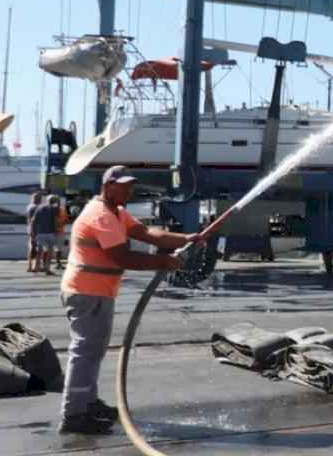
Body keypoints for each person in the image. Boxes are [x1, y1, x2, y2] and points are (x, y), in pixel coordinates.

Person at [58, 166, 202, 435]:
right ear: (108, 186)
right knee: (85, 352)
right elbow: (123, 257)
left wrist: (186, 238)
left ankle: (87, 403)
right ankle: (74, 414)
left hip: (96, 290)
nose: (129, 190)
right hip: (87, 292)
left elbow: (147, 235)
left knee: (92, 352)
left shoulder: (117, 213)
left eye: (131, 186)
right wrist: (164, 262)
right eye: (123, 185)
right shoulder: (100, 216)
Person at [31, 196, 62, 275]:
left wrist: (33, 232)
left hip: (40, 232)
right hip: (50, 233)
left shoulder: (39, 207)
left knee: (39, 251)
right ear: (54, 201)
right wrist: (58, 202)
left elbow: (33, 220)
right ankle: (47, 269)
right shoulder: (53, 209)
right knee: (49, 252)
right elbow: (58, 215)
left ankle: (35, 267)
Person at [25, 191, 44, 273]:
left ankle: (29, 266)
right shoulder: (36, 208)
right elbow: (34, 220)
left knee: (31, 249)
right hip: (37, 231)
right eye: (40, 198)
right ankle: (36, 266)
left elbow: (29, 220)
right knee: (38, 249)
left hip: (31, 230)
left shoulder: (29, 206)